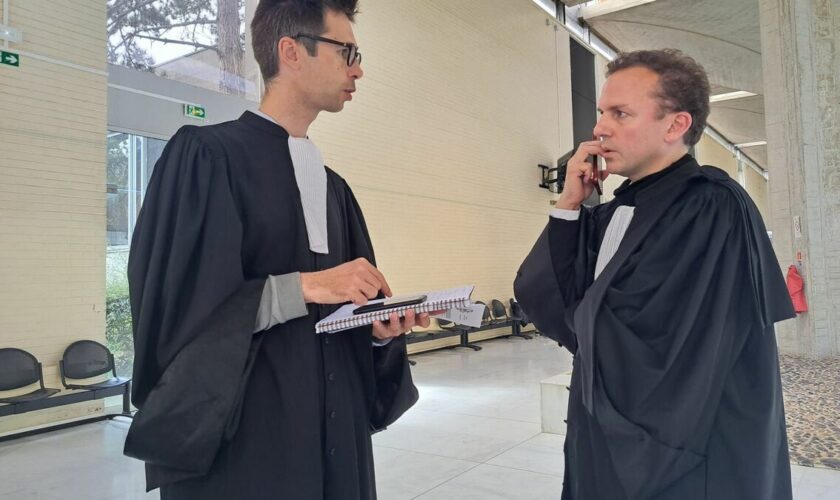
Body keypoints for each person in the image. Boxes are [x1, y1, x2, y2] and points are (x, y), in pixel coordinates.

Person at [123, 1, 428, 498]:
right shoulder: (205, 158)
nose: (359, 69)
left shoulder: (335, 190)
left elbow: (339, 317)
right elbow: (177, 313)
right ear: (291, 51)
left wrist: (375, 332)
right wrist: (306, 287)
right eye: (346, 51)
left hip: (337, 440)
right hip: (249, 447)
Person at [514, 49, 796, 499]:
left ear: (675, 125)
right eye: (602, 112)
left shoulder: (710, 205)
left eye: (620, 113)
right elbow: (554, 305)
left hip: (680, 452)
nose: (599, 127)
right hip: (606, 433)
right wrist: (569, 205)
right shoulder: (619, 208)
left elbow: (659, 345)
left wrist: (587, 326)